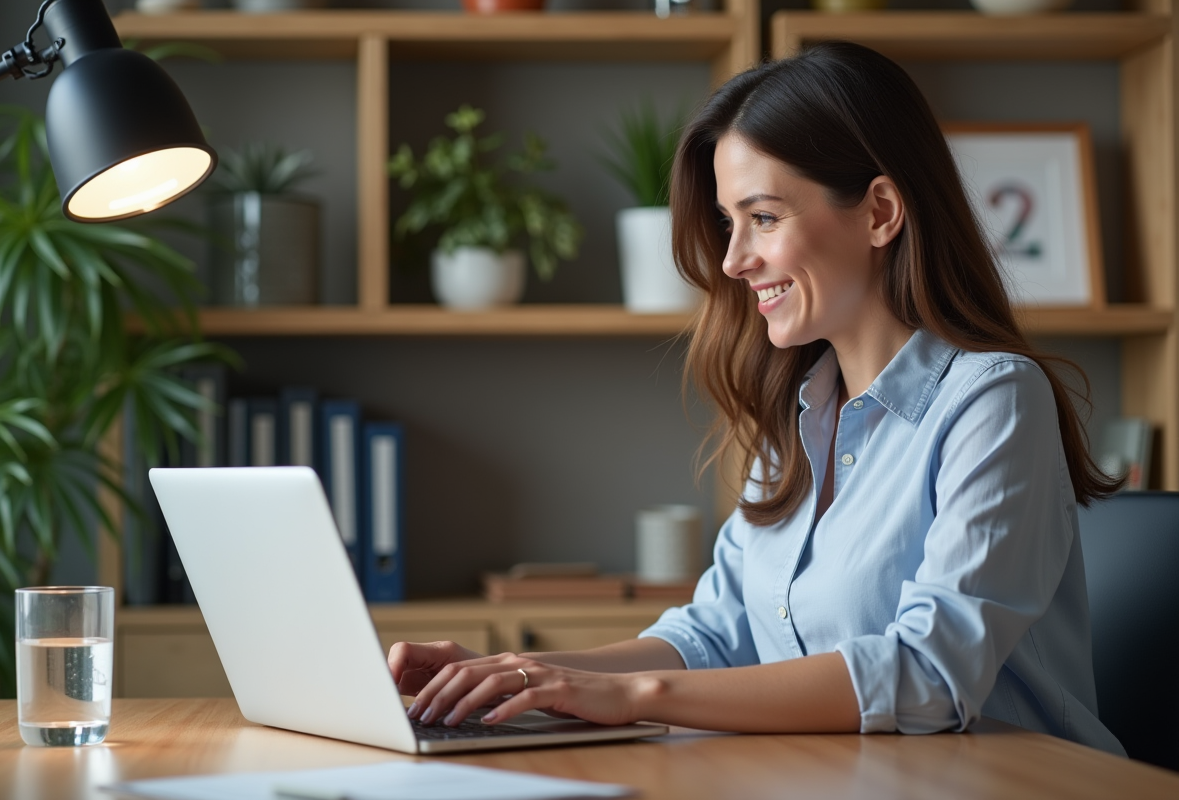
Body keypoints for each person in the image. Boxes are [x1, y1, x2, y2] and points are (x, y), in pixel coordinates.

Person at [387, 41, 1126, 755]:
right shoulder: (799, 416)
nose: (735, 260)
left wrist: (637, 698)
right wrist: (522, 679)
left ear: (879, 213)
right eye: (728, 223)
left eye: (764, 218)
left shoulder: (992, 402)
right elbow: (717, 633)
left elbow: (928, 676)